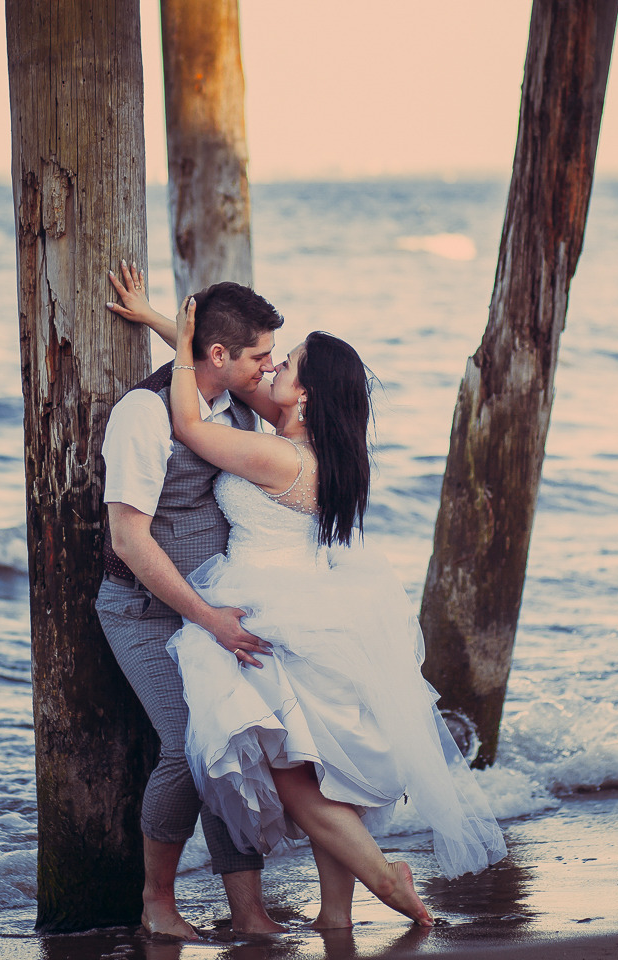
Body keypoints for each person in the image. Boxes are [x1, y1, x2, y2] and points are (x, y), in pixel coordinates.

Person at [114, 289, 507, 929]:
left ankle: (384, 879)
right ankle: (335, 915)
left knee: (298, 777)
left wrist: (189, 342)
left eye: (287, 363)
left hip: (270, 613)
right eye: (272, 358)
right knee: (324, 774)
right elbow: (229, 372)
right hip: (308, 604)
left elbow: (190, 421)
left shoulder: (279, 455)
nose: (272, 370)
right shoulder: (317, 447)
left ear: (306, 395)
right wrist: (172, 326)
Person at [95, 263, 285, 939]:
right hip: (143, 612)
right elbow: (128, 538)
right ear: (218, 356)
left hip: (215, 612)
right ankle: (157, 903)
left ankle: (248, 911)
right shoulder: (143, 416)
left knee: (236, 744)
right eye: (260, 356)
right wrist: (206, 618)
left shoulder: (235, 400)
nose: (270, 367)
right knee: (188, 749)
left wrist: (161, 321)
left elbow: (230, 364)